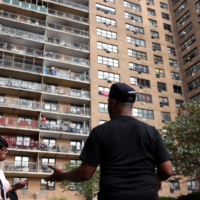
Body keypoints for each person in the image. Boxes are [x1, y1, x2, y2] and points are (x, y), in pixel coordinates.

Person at [45, 83, 173, 200]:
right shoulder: (152, 132)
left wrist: (62, 175)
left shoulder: (99, 132)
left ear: (113, 102)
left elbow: (85, 173)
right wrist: (156, 178)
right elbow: (167, 171)